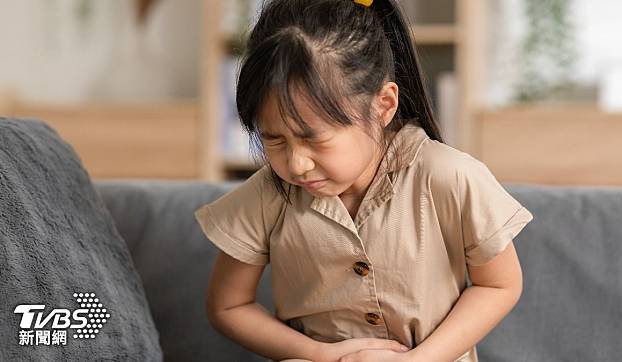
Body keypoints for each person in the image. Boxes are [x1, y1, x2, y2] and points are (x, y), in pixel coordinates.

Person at [194, 0, 534, 361]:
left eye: (314, 138)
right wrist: (318, 354)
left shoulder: (447, 176)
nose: (296, 163)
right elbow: (228, 306)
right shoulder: (268, 194)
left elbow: (499, 283)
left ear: (383, 106)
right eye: (273, 139)